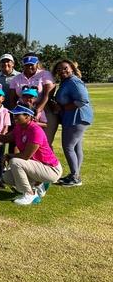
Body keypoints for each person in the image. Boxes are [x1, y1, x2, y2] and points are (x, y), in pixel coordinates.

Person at [0, 104, 63, 205]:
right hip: (37, 166)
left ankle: (30, 194)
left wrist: (9, 156)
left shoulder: (35, 130)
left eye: (17, 115)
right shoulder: (19, 127)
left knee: (16, 162)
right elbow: (5, 139)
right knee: (7, 177)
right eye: (14, 114)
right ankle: (38, 185)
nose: (14, 117)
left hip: (51, 169)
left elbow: (26, 156)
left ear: (27, 116)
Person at [53, 59, 93, 187]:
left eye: (65, 68)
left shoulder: (74, 81)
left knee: (68, 147)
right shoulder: (66, 81)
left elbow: (82, 100)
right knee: (76, 147)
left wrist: (62, 108)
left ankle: (75, 177)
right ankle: (75, 175)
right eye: (59, 69)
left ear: (71, 68)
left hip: (77, 118)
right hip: (73, 118)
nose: (62, 71)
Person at [9, 53, 57, 145]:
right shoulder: (16, 78)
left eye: (32, 64)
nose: (29, 67)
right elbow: (12, 99)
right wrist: (17, 115)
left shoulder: (44, 74)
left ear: (37, 64)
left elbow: (48, 94)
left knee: (44, 141)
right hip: (23, 112)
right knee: (24, 141)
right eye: (26, 65)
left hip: (45, 110)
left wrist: (37, 110)